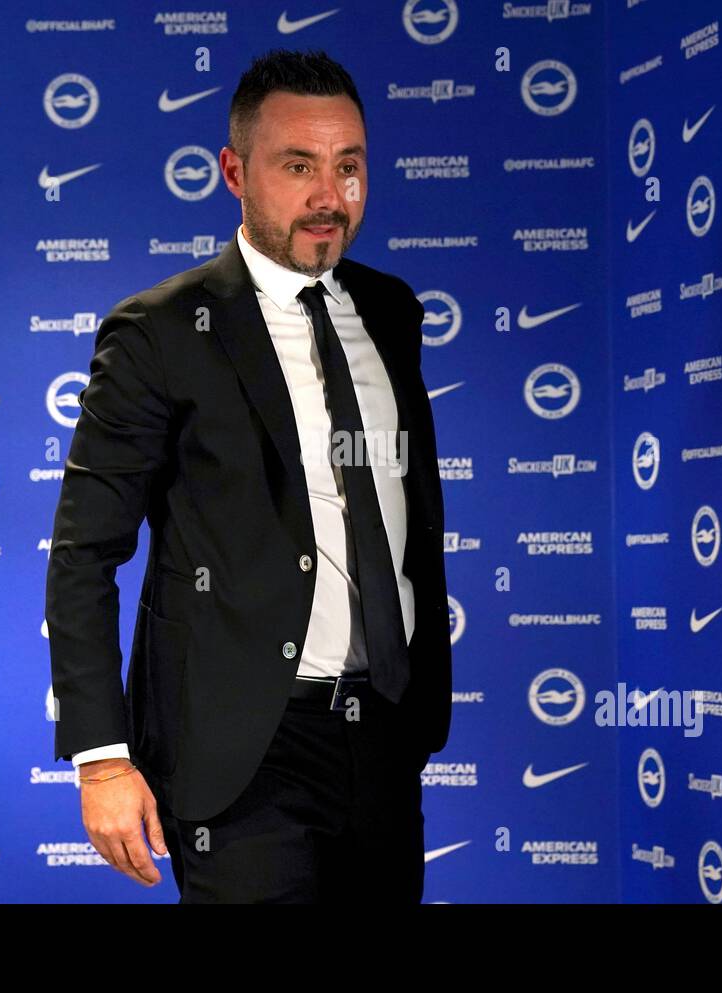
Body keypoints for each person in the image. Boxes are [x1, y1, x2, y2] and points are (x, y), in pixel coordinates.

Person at [45, 48, 451, 903]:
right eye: (297, 165)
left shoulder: (391, 310)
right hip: (244, 749)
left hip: (382, 737)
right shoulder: (159, 332)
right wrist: (101, 756)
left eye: (349, 167)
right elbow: (84, 555)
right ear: (234, 172)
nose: (328, 196)